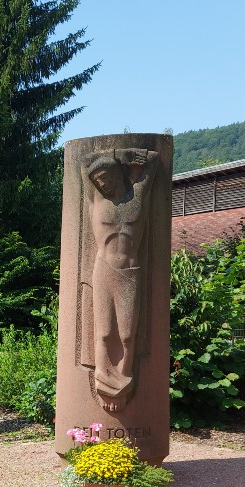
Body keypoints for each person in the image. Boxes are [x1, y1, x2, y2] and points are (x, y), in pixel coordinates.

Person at [84, 147, 158, 411]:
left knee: (127, 334)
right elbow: (83, 163)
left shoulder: (137, 196)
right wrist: (113, 159)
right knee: (104, 332)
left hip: (129, 272)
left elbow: (154, 161)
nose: (101, 182)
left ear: (117, 174)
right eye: (97, 179)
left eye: (105, 176)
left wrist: (126, 158)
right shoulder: (97, 201)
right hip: (103, 269)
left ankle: (124, 377)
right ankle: (104, 378)